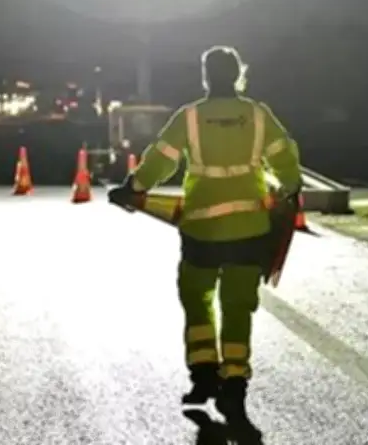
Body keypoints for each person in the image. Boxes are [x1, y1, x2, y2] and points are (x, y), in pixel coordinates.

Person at [108, 45, 301, 430]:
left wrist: (134, 186)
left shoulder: (190, 117)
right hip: (250, 229)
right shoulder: (258, 116)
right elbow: (286, 159)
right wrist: (287, 188)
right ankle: (234, 381)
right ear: (238, 75)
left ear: (205, 76)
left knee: (197, 300)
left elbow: (160, 159)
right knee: (237, 305)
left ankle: (203, 374)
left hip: (202, 231)